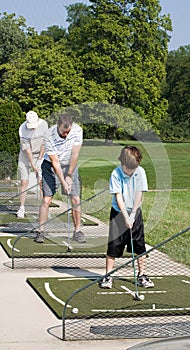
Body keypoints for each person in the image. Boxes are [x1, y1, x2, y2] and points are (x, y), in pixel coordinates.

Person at [100, 145, 154, 289]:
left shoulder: (140, 172)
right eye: (128, 168)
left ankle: (141, 275)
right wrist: (126, 217)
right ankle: (108, 276)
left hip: (135, 211)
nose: (131, 171)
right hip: (118, 213)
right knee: (114, 245)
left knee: (139, 245)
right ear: (123, 163)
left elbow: (138, 195)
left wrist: (133, 215)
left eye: (133, 168)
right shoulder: (116, 173)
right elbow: (119, 197)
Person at [34, 113, 85, 244]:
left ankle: (78, 230)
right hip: (50, 166)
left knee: (75, 198)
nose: (66, 135)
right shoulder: (48, 136)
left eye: (68, 132)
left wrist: (69, 175)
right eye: (63, 132)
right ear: (58, 126)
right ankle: (41, 231)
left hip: (69, 164)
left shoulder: (78, 130)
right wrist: (63, 181)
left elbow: (75, 155)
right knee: (46, 199)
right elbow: (55, 163)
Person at [16, 111, 48, 218]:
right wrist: (33, 165)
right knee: (24, 182)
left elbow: (44, 144)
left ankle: (43, 208)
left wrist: (39, 161)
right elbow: (27, 149)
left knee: (40, 182)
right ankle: (21, 208)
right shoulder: (22, 129)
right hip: (25, 155)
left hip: (39, 153)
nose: (32, 129)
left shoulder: (44, 125)